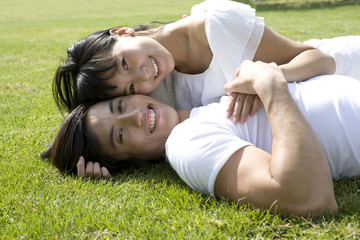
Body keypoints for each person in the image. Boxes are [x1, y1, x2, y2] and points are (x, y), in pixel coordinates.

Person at [42, 61, 360, 216]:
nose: (134, 116)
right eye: (121, 134)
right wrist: (271, 83)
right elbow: (307, 199)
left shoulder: (195, 110)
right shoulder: (185, 143)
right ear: (131, 161)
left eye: (121, 105)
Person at [53, 0, 338, 124]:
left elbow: (320, 60)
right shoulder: (152, 91)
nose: (143, 78)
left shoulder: (217, 25)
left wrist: (266, 77)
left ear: (123, 32)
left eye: (125, 63)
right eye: (129, 89)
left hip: (340, 77)